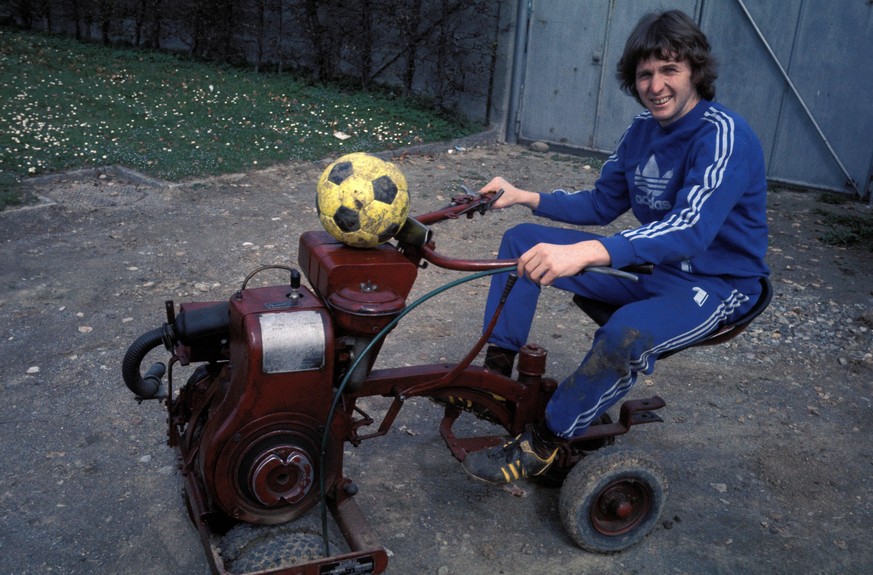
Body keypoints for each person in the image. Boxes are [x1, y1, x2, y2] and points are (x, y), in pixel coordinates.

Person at [462, 9, 769, 484]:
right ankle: (497, 380)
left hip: (716, 284)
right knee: (522, 240)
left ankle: (545, 442)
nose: (656, 85)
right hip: (653, 267)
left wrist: (589, 252)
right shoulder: (641, 131)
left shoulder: (724, 136)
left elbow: (691, 228)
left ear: (695, 72)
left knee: (625, 334)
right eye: (645, 73)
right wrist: (525, 197)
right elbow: (602, 202)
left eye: (670, 69)